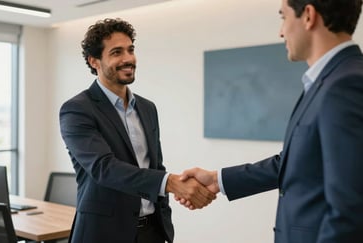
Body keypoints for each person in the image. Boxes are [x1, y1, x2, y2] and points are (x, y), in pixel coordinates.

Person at [179, 0, 363, 242]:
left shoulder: (345, 85)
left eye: (283, 17)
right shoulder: (330, 80)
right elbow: (296, 161)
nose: (281, 31)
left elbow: (350, 210)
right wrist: (218, 179)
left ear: (308, 16)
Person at [59, 18, 215, 243]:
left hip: (152, 231)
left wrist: (177, 190)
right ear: (94, 61)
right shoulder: (77, 110)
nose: (128, 59)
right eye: (116, 52)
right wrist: (171, 183)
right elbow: (104, 168)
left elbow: (154, 165)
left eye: (130, 50)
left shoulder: (147, 107)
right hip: (104, 233)